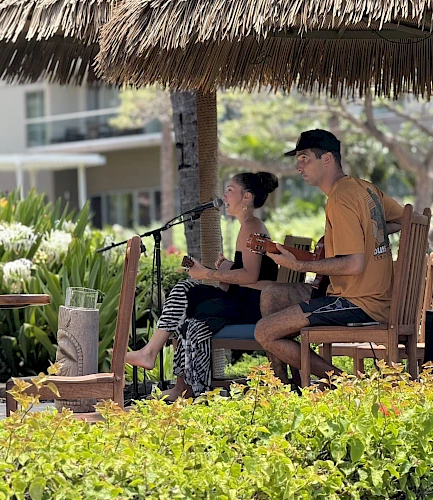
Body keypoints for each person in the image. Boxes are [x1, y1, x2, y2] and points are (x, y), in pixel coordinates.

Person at [254, 129, 404, 382]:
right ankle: (286, 384)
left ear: (327, 159)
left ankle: (344, 384)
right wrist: (367, 234)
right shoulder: (364, 188)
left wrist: (298, 265)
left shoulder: (341, 198)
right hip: (370, 296)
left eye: (305, 158)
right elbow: (402, 219)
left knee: (265, 332)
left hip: (359, 303)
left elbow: (354, 265)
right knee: (273, 295)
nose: (298, 165)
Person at [127, 172, 279, 400]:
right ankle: (183, 387)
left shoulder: (252, 225)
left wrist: (207, 273)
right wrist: (225, 268)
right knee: (186, 299)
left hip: (253, 305)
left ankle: (181, 380)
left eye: (230, 189)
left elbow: (250, 276)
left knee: (188, 302)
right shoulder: (248, 225)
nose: (224, 195)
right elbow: (248, 273)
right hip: (241, 299)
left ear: (246, 197)